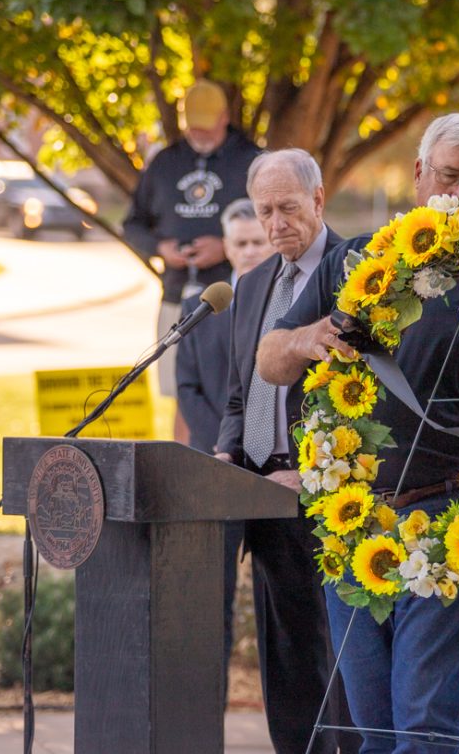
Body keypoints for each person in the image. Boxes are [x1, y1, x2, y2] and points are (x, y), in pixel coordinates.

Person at [255, 113, 459, 753]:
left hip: (453, 522)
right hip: (354, 523)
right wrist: (310, 337)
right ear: (417, 174)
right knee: (373, 733)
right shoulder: (359, 259)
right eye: (448, 175)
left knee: (424, 730)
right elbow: (270, 359)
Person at [214, 149, 357, 754]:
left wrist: (316, 470)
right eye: (265, 211)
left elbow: (367, 400)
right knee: (286, 659)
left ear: (319, 200)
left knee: (342, 664)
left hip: (329, 499)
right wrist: (224, 461)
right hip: (259, 498)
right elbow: (237, 397)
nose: (275, 225)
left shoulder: (357, 273)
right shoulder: (250, 288)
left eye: (288, 209)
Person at [175, 197, 275, 679]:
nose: (252, 250)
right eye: (242, 243)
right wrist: (223, 444)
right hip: (213, 466)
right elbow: (187, 386)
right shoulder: (201, 308)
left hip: (276, 474)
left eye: (259, 241)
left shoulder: (287, 299)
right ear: (227, 247)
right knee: (210, 599)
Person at [123, 79, 261, 400]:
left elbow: (271, 228)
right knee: (180, 393)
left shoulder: (250, 161)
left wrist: (225, 247)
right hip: (176, 296)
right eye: (193, 128)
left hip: (234, 300)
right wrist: (160, 248)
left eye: (206, 128)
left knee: (233, 394)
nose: (198, 135)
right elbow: (132, 224)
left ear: (224, 117)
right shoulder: (165, 163)